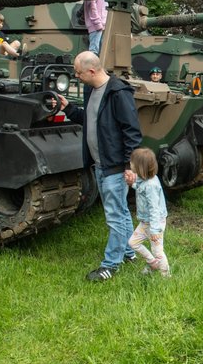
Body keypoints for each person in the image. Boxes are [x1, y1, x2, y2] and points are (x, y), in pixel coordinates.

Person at [61, 51, 142, 281]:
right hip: (100, 165)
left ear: (92, 71)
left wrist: (129, 165)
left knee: (114, 216)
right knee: (121, 211)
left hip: (115, 166)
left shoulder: (118, 93)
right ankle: (128, 252)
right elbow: (90, 120)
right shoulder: (92, 91)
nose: (76, 76)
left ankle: (110, 265)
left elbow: (132, 132)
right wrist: (68, 108)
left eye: (78, 72)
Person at [125, 148, 170, 277]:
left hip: (155, 223)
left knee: (158, 251)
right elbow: (141, 189)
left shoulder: (151, 185)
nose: (130, 164)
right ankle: (152, 262)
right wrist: (132, 183)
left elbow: (154, 209)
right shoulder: (144, 180)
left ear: (140, 167)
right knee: (133, 242)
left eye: (132, 163)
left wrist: (155, 230)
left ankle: (166, 275)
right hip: (145, 222)